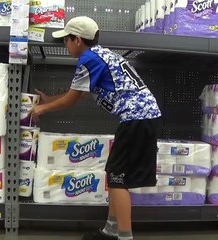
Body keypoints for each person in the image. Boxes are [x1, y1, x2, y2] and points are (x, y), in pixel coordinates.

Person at [31, 16, 162, 240]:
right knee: (114, 174)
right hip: (141, 118)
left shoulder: (89, 59)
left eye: (67, 40)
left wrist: (42, 110)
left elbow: (72, 100)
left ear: (78, 40)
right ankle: (111, 229)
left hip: (137, 119)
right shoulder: (100, 55)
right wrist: (49, 99)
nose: (65, 45)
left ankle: (124, 236)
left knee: (118, 179)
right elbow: (77, 94)